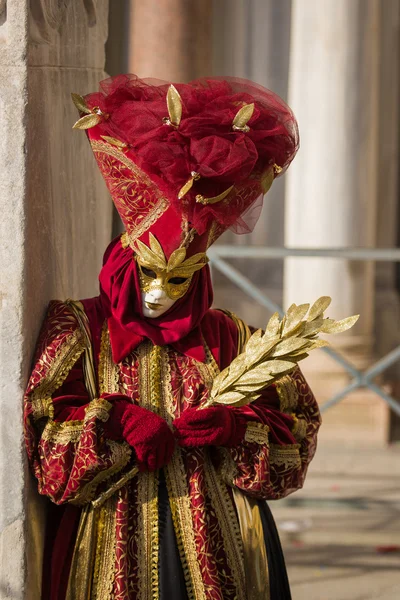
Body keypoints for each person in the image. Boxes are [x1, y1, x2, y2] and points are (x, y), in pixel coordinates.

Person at [24, 74, 321, 600]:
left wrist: (236, 428)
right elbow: (42, 436)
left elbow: (295, 432)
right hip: (110, 540)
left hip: (224, 542)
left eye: (178, 277)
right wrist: (110, 421)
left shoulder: (231, 337)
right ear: (122, 264)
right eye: (148, 273)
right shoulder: (79, 329)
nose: (160, 293)